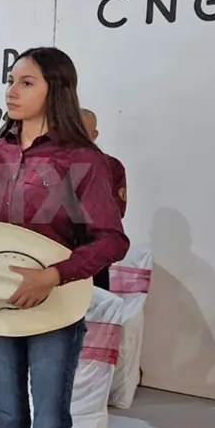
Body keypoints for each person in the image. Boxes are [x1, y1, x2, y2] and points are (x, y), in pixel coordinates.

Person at [0, 47, 129, 428]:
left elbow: (112, 239)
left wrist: (52, 276)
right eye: (11, 80)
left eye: (27, 82)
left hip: (56, 308)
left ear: (56, 89)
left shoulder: (84, 160)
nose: (12, 90)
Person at [80, 108, 126, 291]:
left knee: (95, 311)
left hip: (94, 254)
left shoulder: (111, 167)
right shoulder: (49, 163)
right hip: (54, 254)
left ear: (94, 134)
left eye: (82, 130)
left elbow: (116, 212)